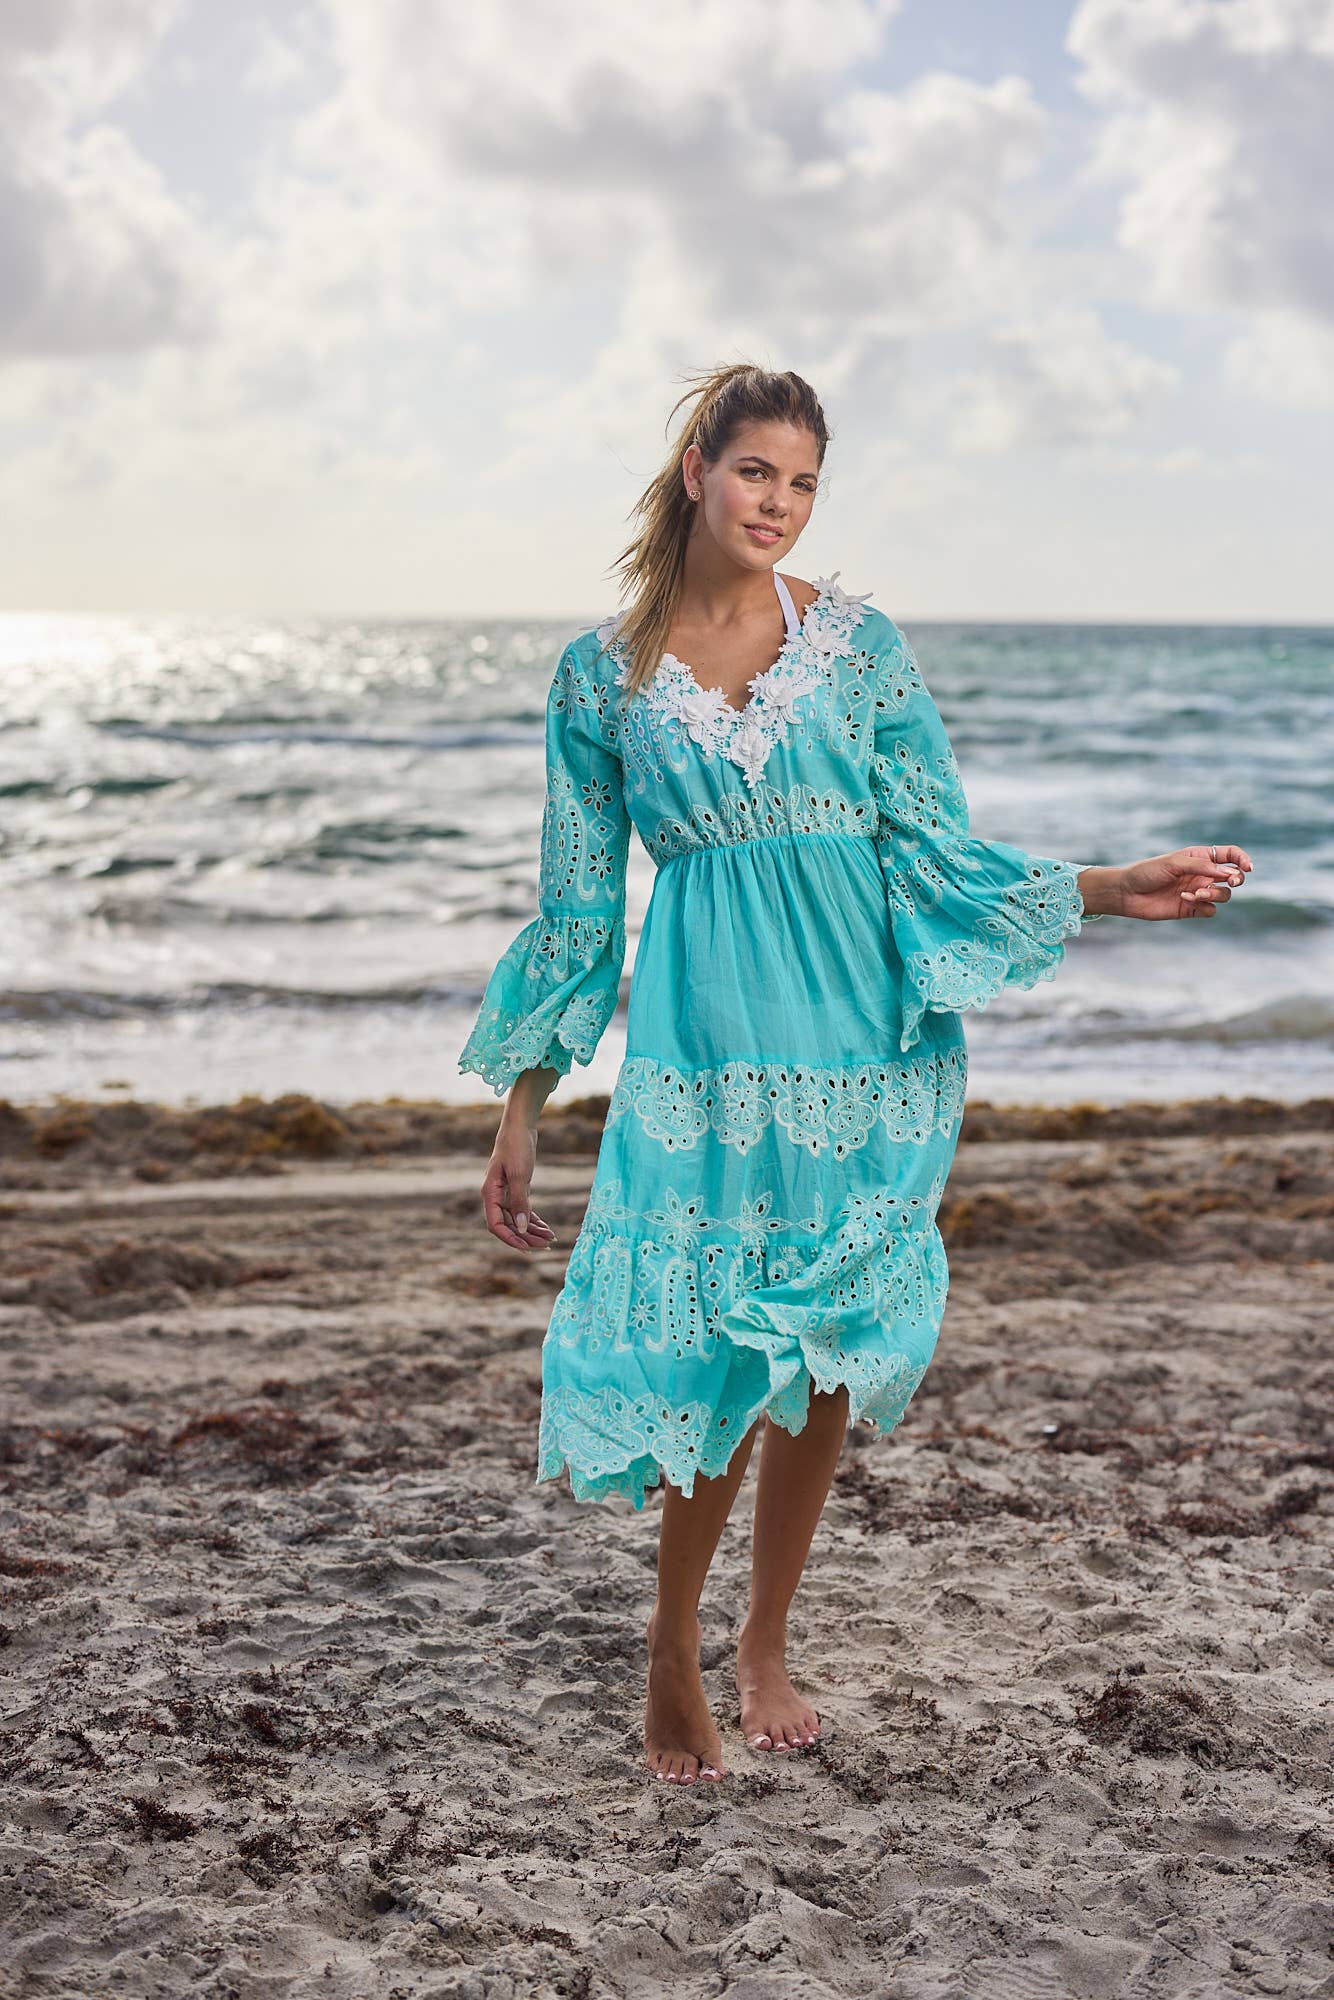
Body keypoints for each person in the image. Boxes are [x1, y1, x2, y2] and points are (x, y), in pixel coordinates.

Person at [457, 361, 1253, 1787]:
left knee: (827, 1335)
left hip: (864, 1035)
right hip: (706, 1045)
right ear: (696, 470)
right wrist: (523, 1108)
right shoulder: (599, 675)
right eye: (756, 470)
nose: (779, 503)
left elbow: (931, 849)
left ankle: (763, 1637)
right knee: (718, 1333)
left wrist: (1107, 885)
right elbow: (576, 912)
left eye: (805, 482)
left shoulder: (857, 646)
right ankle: (669, 1643)